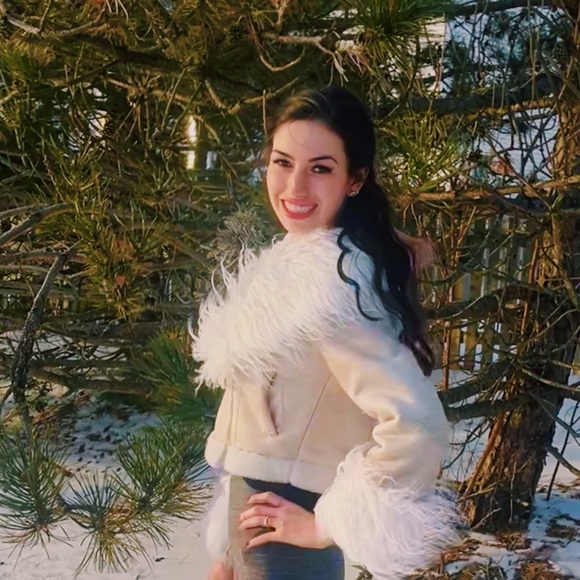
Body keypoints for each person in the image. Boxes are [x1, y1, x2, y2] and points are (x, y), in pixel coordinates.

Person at [191, 86, 459, 580]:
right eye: (282, 162)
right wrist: (227, 552)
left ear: (354, 179)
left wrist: (327, 525)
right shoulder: (295, 263)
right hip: (254, 531)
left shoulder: (336, 287)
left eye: (320, 168)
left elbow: (418, 426)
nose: (294, 187)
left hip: (283, 543)